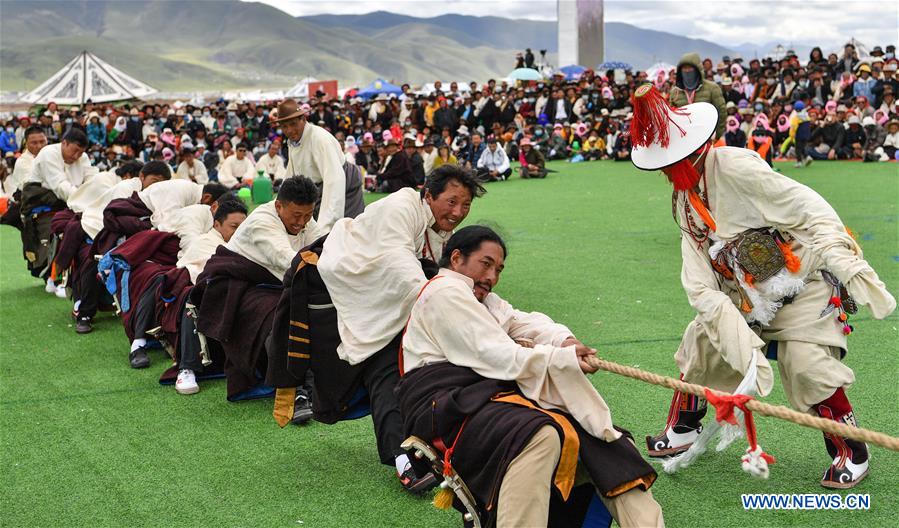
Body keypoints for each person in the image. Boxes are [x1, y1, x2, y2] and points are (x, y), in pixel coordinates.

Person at [629, 84, 895, 488]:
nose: (668, 172)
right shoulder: (683, 201)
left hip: (802, 287)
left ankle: (852, 450)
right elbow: (699, 282)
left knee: (808, 366)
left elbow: (808, 207)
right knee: (701, 342)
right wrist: (735, 336)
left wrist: (839, 253)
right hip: (745, 298)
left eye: (674, 161)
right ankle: (684, 428)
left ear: (696, 150)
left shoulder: (736, 167)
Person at [398, 226, 663, 527]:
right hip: (447, 408)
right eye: (486, 264)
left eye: (498, 270)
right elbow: (492, 352)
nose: (492, 277)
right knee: (539, 434)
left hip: (488, 399)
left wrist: (564, 342)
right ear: (457, 258)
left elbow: (524, 323)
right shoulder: (444, 291)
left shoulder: (486, 301)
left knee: (606, 442)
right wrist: (561, 358)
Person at [308, 165, 484, 492]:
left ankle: (429, 446)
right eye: (452, 201)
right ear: (428, 195)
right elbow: (398, 263)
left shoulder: (435, 227)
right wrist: (440, 302)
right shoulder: (401, 206)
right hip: (346, 285)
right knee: (388, 366)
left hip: (386, 296)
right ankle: (404, 456)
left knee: (416, 366)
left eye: (466, 205)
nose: (458, 212)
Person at [190, 176, 321, 400]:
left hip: (276, 284)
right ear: (278, 206)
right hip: (237, 285)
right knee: (281, 315)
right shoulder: (262, 222)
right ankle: (293, 388)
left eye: (308, 215)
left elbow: (322, 248)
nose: (301, 222)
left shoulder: (305, 220)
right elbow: (288, 261)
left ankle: (322, 377)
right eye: (296, 215)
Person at [20, 129, 98, 281]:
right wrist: (84, 201)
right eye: (74, 150)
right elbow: (60, 185)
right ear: (64, 143)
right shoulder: (48, 153)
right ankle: (54, 276)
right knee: (59, 227)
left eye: (80, 152)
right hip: (42, 199)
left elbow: (92, 179)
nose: (76, 156)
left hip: (73, 201)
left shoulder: (82, 157)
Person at [275, 99, 364, 227]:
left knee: (346, 228)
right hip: (315, 187)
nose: (289, 130)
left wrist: (326, 226)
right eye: (284, 126)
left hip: (344, 182)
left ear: (303, 119)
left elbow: (334, 180)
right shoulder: (293, 142)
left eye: (293, 124)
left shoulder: (320, 139)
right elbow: (290, 175)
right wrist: (278, 205)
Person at [669, 53, 727, 138]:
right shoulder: (675, 92)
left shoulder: (712, 88)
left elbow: (722, 113)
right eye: (684, 68)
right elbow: (671, 117)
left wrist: (715, 136)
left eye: (690, 68)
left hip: (707, 137)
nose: (687, 71)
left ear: (697, 69)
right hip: (684, 138)